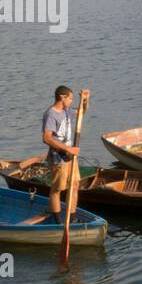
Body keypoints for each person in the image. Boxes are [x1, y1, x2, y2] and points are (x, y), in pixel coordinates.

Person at [43, 86, 88, 221]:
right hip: (58, 158)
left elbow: (81, 113)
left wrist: (85, 100)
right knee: (57, 189)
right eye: (70, 98)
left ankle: (71, 218)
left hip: (70, 157)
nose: (71, 101)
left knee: (74, 186)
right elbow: (47, 138)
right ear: (62, 97)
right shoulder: (51, 114)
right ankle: (57, 221)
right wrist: (68, 149)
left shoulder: (66, 110)